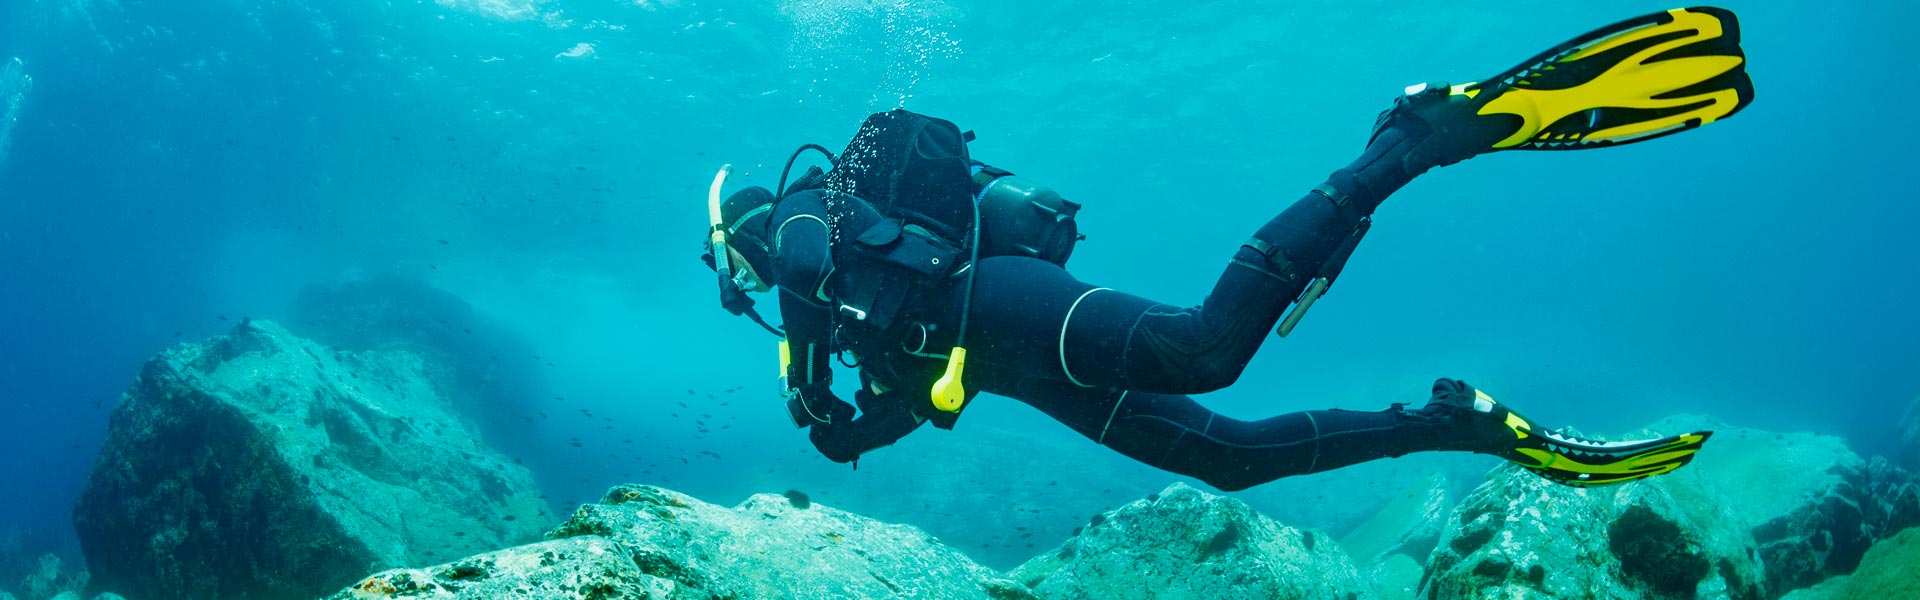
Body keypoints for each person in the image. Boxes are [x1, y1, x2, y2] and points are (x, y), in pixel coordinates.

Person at [702, 7, 1751, 490]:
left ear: (733, 234)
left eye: (724, 263)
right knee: (1226, 460)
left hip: (1002, 296)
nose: (732, 282)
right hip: (1009, 356)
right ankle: (1451, 422)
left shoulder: (802, 209)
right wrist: (845, 430)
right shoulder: (849, 307)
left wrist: (803, 378)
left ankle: (1408, 144)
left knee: (1202, 348)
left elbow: (794, 266)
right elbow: (918, 396)